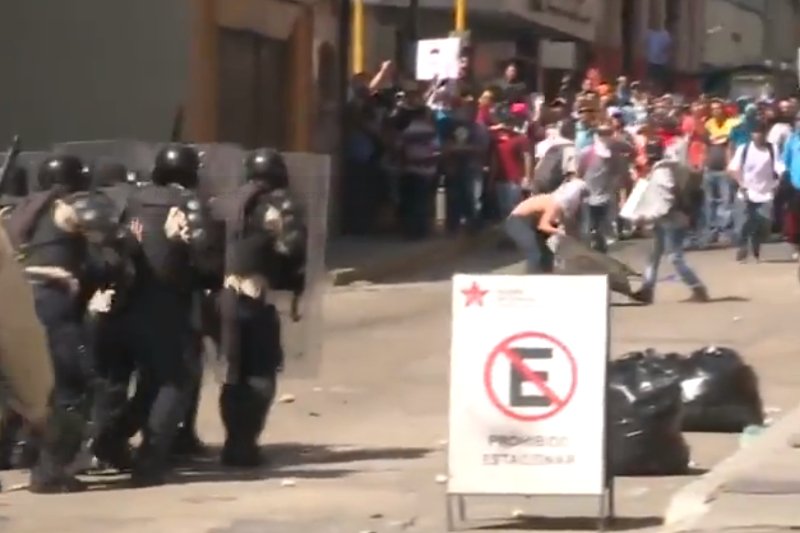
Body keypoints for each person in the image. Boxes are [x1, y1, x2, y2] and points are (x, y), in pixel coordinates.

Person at [91, 144, 207, 486]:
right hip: (164, 308)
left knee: (143, 386)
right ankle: (150, 459)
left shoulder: (130, 201)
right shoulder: (187, 204)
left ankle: (109, 442)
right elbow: (209, 264)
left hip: (120, 305)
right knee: (175, 381)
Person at [208, 148, 307, 467]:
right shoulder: (276, 207)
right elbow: (294, 252)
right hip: (253, 297)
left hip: (220, 298)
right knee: (261, 371)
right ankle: (245, 443)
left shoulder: (222, 203)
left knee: (233, 374)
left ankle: (232, 441)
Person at [631, 140, 709, 304]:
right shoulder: (667, 168)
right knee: (655, 255)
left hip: (672, 218)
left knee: (674, 257)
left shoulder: (661, 171)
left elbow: (668, 196)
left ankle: (698, 288)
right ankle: (647, 289)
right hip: (666, 218)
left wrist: (649, 216)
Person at [503, 178, 588, 274]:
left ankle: (546, 275)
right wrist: (559, 232)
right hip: (516, 222)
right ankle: (531, 279)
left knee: (547, 252)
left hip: (526, 222)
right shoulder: (554, 204)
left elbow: (565, 223)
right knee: (535, 253)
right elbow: (543, 226)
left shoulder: (559, 202)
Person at [728, 122, 779, 262]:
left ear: (765, 134)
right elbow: (733, 169)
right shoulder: (743, 149)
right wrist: (741, 184)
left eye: (761, 132)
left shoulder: (772, 149)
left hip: (765, 192)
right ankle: (742, 247)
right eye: (755, 133)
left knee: (764, 224)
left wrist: (778, 181)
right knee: (742, 224)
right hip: (746, 192)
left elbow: (778, 167)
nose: (758, 135)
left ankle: (755, 248)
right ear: (751, 135)